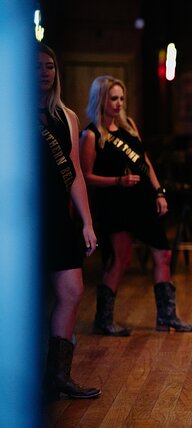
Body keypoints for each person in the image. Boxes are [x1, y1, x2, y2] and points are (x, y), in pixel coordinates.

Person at [80, 75, 192, 336]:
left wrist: (159, 191)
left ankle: (167, 317)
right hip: (116, 202)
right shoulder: (91, 135)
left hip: (143, 200)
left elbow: (145, 161)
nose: (119, 103)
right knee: (121, 258)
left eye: (122, 98)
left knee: (163, 254)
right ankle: (104, 319)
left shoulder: (130, 126)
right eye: (114, 98)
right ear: (100, 99)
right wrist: (118, 180)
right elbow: (86, 176)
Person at [38, 43, 101, 400]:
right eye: (36, 67)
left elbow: (76, 173)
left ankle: (58, 376)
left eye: (49, 66)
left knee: (72, 291)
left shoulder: (68, 116)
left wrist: (87, 223)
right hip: (23, 221)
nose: (44, 72)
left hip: (59, 218)